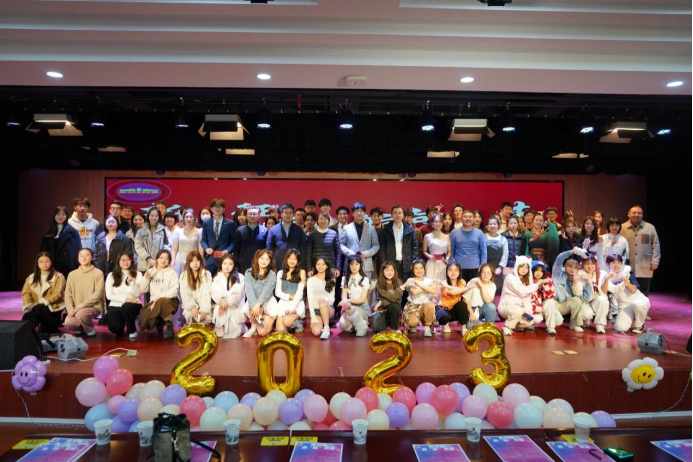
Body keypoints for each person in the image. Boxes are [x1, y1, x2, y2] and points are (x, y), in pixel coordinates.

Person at [601, 254, 650, 334]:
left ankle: (639, 325)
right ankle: (631, 315)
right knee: (620, 327)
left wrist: (625, 280)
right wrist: (606, 279)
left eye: (619, 262)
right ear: (607, 264)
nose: (616, 265)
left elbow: (633, 290)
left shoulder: (627, 273)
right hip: (624, 305)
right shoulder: (607, 277)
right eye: (613, 263)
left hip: (639, 300)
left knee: (638, 305)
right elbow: (604, 292)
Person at [21, 252, 66, 339]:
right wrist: (29, 304)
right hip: (36, 307)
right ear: (37, 264)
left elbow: (57, 294)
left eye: (47, 261)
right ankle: (27, 333)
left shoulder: (58, 276)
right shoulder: (31, 277)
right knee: (32, 312)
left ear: (51, 262)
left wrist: (38, 303)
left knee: (41, 308)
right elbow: (25, 293)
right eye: (41, 262)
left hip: (53, 306)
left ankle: (49, 330)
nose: (44, 264)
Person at [497, 256, 544, 336]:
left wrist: (528, 312)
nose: (524, 270)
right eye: (522, 266)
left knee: (534, 320)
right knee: (517, 311)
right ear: (517, 266)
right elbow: (521, 291)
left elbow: (527, 299)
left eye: (526, 268)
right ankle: (507, 327)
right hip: (507, 307)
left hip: (521, 310)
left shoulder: (526, 281)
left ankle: (518, 325)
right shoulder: (510, 278)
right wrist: (537, 284)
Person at [620, 205, 661, 297]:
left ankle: (643, 306)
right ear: (628, 214)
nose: (636, 215)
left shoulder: (650, 227)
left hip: (645, 265)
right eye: (634, 213)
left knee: (644, 292)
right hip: (627, 265)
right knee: (627, 293)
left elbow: (656, 245)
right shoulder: (622, 228)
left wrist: (655, 261)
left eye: (639, 213)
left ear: (642, 215)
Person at [139, 249, 179, 340]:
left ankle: (169, 327)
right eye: (161, 258)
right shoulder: (151, 271)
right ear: (157, 259)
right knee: (143, 321)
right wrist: (146, 278)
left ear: (169, 261)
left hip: (170, 301)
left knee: (161, 301)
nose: (163, 260)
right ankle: (159, 322)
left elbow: (174, 291)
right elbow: (143, 290)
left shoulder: (172, 273)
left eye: (166, 258)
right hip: (153, 302)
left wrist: (158, 298)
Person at [64, 248, 105, 337]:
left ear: (92, 257)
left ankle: (89, 329)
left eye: (87, 255)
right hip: (76, 308)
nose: (83, 258)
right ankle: (81, 328)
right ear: (78, 258)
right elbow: (68, 294)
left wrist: (81, 305)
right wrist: (70, 309)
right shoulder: (72, 274)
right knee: (68, 323)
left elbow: (98, 294)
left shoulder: (98, 273)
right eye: (81, 256)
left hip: (94, 307)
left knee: (82, 313)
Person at [340, 202, 380, 290]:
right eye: (356, 211)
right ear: (352, 213)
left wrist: (367, 253)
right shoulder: (346, 228)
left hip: (366, 264)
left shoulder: (371, 228)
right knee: (350, 290)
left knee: (366, 291)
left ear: (364, 213)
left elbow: (376, 245)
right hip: (351, 264)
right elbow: (341, 244)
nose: (359, 213)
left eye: (361, 211)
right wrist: (349, 253)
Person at [551, 247, 592, 333]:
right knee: (557, 321)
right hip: (554, 303)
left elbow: (584, 298)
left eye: (575, 268)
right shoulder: (557, 273)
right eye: (570, 266)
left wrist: (588, 283)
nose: (572, 269)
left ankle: (575, 324)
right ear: (565, 267)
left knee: (577, 300)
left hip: (565, 305)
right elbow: (559, 258)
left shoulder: (578, 278)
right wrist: (574, 251)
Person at [105, 251, 143, 339]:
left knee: (126, 307)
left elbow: (137, 293)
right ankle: (122, 322)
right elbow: (109, 296)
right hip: (115, 305)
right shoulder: (111, 275)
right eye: (123, 260)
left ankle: (132, 330)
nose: (125, 262)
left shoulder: (138, 274)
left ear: (132, 261)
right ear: (118, 261)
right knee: (116, 329)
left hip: (133, 304)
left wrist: (132, 282)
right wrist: (126, 299)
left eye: (128, 260)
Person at [378, 205, 419, 285]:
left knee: (406, 288)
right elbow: (381, 249)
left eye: (400, 213)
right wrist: (384, 264)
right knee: (391, 287)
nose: (397, 215)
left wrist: (412, 262)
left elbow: (415, 247)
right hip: (390, 265)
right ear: (391, 215)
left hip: (406, 265)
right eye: (395, 213)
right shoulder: (385, 230)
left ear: (403, 215)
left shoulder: (409, 230)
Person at [243, 249, 278, 338]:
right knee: (253, 309)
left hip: (267, 303)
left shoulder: (272, 274)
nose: (264, 261)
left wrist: (259, 304)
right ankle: (254, 326)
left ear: (270, 262)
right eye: (262, 258)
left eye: (267, 259)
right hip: (254, 304)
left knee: (262, 331)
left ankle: (265, 322)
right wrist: (255, 306)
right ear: (257, 258)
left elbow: (267, 291)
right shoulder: (248, 272)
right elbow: (249, 291)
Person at [39, 206, 82, 279]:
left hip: (68, 267)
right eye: (58, 214)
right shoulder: (47, 232)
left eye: (63, 214)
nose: (60, 216)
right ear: (54, 215)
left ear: (66, 216)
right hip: (50, 265)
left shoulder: (73, 232)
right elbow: (42, 251)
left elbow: (78, 251)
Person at [211, 254, 246, 338]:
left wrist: (226, 302)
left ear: (234, 265)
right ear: (221, 264)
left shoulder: (240, 277)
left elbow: (237, 293)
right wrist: (222, 299)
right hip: (221, 304)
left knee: (232, 331)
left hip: (234, 305)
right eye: (225, 263)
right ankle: (221, 325)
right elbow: (215, 292)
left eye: (230, 264)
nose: (227, 266)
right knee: (218, 308)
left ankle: (234, 326)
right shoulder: (217, 277)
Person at [575, 254, 609, 334]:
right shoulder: (579, 274)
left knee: (602, 299)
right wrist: (588, 282)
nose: (590, 267)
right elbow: (580, 295)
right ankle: (586, 320)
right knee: (586, 315)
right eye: (587, 264)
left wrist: (607, 280)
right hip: (584, 302)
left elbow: (604, 293)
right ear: (583, 264)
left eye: (592, 264)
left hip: (596, 300)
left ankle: (600, 325)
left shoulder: (602, 273)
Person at [450, 210, 488, 282]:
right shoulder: (454, 233)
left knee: (473, 288)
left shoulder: (479, 233)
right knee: (459, 287)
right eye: (465, 217)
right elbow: (452, 250)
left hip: (475, 267)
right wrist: (452, 264)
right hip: (458, 267)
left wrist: (483, 265)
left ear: (473, 219)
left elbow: (484, 250)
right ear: (461, 219)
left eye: (470, 217)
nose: (468, 218)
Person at [201, 198, 236, 276]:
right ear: (211, 209)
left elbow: (233, 242)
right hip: (210, 259)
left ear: (224, 209)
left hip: (225, 259)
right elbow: (203, 240)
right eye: (215, 207)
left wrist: (227, 250)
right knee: (209, 280)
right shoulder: (206, 223)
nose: (217, 209)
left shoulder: (230, 223)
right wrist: (206, 248)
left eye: (220, 206)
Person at [402, 260, 437, 337]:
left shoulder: (428, 280)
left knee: (430, 305)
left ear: (424, 269)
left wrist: (419, 284)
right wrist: (427, 286)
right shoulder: (410, 280)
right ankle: (413, 326)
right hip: (412, 306)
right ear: (412, 269)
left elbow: (433, 291)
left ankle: (427, 327)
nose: (419, 270)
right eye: (416, 268)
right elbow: (414, 292)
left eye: (421, 268)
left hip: (425, 306)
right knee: (412, 322)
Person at [266, 204, 307, 270]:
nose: (288, 215)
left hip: (295, 265)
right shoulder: (273, 230)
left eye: (290, 212)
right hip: (278, 265)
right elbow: (269, 249)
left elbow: (303, 248)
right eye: (285, 212)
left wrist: (302, 265)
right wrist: (271, 266)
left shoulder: (299, 230)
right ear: (281, 214)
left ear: (293, 214)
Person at [275, 249, 306, 334]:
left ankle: (297, 322)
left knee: (287, 322)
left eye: (294, 259)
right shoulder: (281, 273)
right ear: (286, 259)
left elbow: (299, 294)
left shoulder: (301, 272)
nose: (292, 261)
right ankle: (291, 325)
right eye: (290, 258)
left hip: (296, 303)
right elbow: (277, 292)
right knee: (281, 332)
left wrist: (291, 309)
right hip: (283, 303)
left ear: (298, 260)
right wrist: (290, 297)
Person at [338, 256, 370, 337]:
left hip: (361, 306)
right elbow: (344, 295)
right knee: (342, 325)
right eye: (352, 264)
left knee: (351, 309)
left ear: (360, 265)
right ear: (349, 265)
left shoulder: (364, 279)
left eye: (356, 264)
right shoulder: (345, 278)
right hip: (350, 306)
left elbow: (362, 299)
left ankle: (361, 327)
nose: (354, 266)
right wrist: (345, 302)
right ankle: (355, 325)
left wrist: (347, 301)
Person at [180, 251, 213, 327]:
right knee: (189, 315)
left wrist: (204, 310)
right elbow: (185, 294)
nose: (195, 263)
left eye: (197, 260)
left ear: (201, 261)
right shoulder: (184, 275)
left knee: (206, 318)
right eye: (192, 261)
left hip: (204, 304)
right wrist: (193, 307)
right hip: (190, 306)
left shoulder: (207, 274)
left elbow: (207, 293)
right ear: (188, 263)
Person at [307, 257, 337, 340]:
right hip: (316, 309)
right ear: (315, 265)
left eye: (323, 264)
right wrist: (313, 318)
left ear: (327, 266)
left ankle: (326, 328)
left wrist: (324, 300)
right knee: (316, 332)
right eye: (318, 264)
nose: (320, 266)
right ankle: (321, 324)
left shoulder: (332, 279)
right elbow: (310, 300)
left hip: (328, 308)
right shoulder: (311, 280)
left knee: (321, 302)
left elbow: (332, 299)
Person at [423, 214, 451, 302]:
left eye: (439, 221)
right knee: (431, 283)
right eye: (435, 221)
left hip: (443, 264)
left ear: (442, 223)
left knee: (442, 283)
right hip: (432, 263)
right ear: (432, 223)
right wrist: (429, 256)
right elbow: (424, 251)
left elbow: (449, 251)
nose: (438, 224)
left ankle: (442, 303)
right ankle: (431, 303)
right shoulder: (427, 236)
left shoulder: (446, 236)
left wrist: (447, 258)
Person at [462, 263, 497, 333]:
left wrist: (482, 287)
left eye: (488, 273)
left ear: (492, 274)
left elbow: (488, 301)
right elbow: (465, 300)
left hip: (482, 308)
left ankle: (489, 325)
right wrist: (471, 314)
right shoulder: (474, 281)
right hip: (471, 309)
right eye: (483, 272)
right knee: (469, 326)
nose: (486, 275)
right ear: (480, 273)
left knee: (491, 306)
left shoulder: (492, 285)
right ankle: (483, 324)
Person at [233, 206, 269, 273]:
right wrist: (235, 264)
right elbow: (236, 250)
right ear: (246, 216)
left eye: (254, 214)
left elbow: (267, 249)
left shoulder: (265, 231)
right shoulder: (239, 230)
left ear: (259, 216)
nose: (252, 216)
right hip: (243, 264)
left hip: (260, 264)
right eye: (250, 214)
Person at [437, 261, 469, 335]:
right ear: (447, 272)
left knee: (462, 304)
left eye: (456, 270)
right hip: (444, 308)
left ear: (459, 272)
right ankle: (445, 325)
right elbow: (452, 292)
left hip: (455, 310)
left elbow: (461, 291)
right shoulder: (443, 283)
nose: (453, 272)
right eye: (450, 270)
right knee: (443, 315)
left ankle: (463, 328)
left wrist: (448, 286)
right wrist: (467, 288)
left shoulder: (462, 282)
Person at [306, 212, 342, 277]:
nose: (323, 221)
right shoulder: (312, 235)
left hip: (331, 267)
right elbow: (308, 253)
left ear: (328, 221)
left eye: (325, 219)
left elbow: (338, 253)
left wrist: (338, 268)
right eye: (321, 219)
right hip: (316, 267)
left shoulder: (334, 234)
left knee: (330, 283)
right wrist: (309, 269)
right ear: (317, 221)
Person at [372, 261, 404, 333]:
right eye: (387, 270)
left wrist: (381, 302)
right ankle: (385, 322)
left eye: (391, 270)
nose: (389, 272)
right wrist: (380, 304)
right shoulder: (379, 283)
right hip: (382, 309)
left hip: (393, 308)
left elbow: (397, 300)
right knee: (378, 330)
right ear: (383, 271)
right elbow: (390, 297)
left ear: (395, 271)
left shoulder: (398, 282)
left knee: (395, 305)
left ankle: (394, 329)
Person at [135, 208, 169, 273]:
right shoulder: (141, 231)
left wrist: (160, 259)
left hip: (159, 265)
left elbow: (167, 246)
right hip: (144, 265)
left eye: (156, 216)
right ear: (148, 216)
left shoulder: (163, 230)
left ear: (159, 217)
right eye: (152, 215)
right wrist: (148, 259)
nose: (154, 218)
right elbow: (138, 247)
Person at [529, 261, 559, 334]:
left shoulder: (548, 280)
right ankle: (528, 324)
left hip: (544, 308)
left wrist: (545, 284)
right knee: (536, 319)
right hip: (533, 309)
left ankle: (551, 327)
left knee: (559, 320)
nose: (538, 273)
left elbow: (551, 296)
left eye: (541, 271)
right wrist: (538, 308)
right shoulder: (529, 282)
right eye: (536, 270)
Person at [172, 209, 202, 276]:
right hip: (179, 260)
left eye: (191, 217)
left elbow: (200, 248)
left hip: (193, 260)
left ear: (194, 218)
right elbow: (174, 249)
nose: (189, 219)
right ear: (183, 218)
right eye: (186, 217)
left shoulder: (199, 232)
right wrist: (173, 261)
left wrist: (201, 260)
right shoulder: (178, 231)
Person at [485, 215, 508, 293]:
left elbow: (505, 254)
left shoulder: (503, 239)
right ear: (487, 226)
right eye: (490, 224)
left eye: (494, 224)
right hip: (486, 265)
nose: (492, 226)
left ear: (498, 226)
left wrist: (500, 268)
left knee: (497, 288)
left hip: (498, 266)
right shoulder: (483, 237)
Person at [502, 216, 526, 282]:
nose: (513, 225)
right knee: (506, 282)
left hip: (518, 265)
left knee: (517, 283)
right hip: (506, 265)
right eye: (511, 223)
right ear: (507, 225)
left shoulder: (522, 237)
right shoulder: (503, 236)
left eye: (515, 223)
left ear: (518, 224)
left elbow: (523, 251)